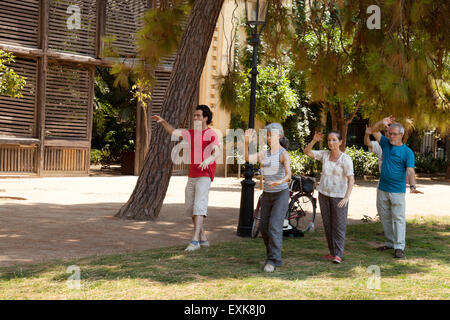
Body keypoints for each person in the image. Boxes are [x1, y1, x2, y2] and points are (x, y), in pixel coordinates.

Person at [152, 105, 220, 252]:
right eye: (194, 115)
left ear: (206, 118)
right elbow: (174, 132)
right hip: (192, 175)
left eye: (198, 116)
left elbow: (216, 152)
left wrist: (208, 161)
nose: (195, 118)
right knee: (190, 208)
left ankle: (194, 241)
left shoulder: (211, 134)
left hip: (205, 175)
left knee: (199, 206)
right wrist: (163, 122)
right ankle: (203, 237)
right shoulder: (191, 133)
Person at [370, 116, 423, 259]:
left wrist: (412, 186)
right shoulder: (386, 144)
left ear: (401, 135)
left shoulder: (407, 152)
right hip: (382, 188)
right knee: (385, 217)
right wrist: (381, 122)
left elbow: (410, 170)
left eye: (394, 134)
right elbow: (373, 131)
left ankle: (399, 247)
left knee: (398, 219)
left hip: (397, 191)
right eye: (390, 133)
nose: (391, 136)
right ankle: (390, 242)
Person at [244, 123, 292, 273]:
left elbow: (289, 175)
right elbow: (248, 158)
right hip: (267, 195)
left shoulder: (283, 154)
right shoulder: (265, 153)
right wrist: (246, 143)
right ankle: (271, 255)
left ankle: (273, 260)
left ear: (280, 136)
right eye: (268, 135)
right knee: (264, 228)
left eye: (272, 135)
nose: (269, 138)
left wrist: (279, 181)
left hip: (281, 194)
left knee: (274, 227)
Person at [304, 131, 354, 264]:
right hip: (324, 194)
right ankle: (332, 252)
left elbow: (351, 179)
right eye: (329, 140)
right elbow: (306, 152)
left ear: (340, 141)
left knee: (339, 225)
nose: (331, 143)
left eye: (334, 140)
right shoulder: (325, 155)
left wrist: (346, 197)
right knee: (328, 224)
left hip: (339, 196)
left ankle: (338, 254)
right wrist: (314, 140)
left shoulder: (345, 159)